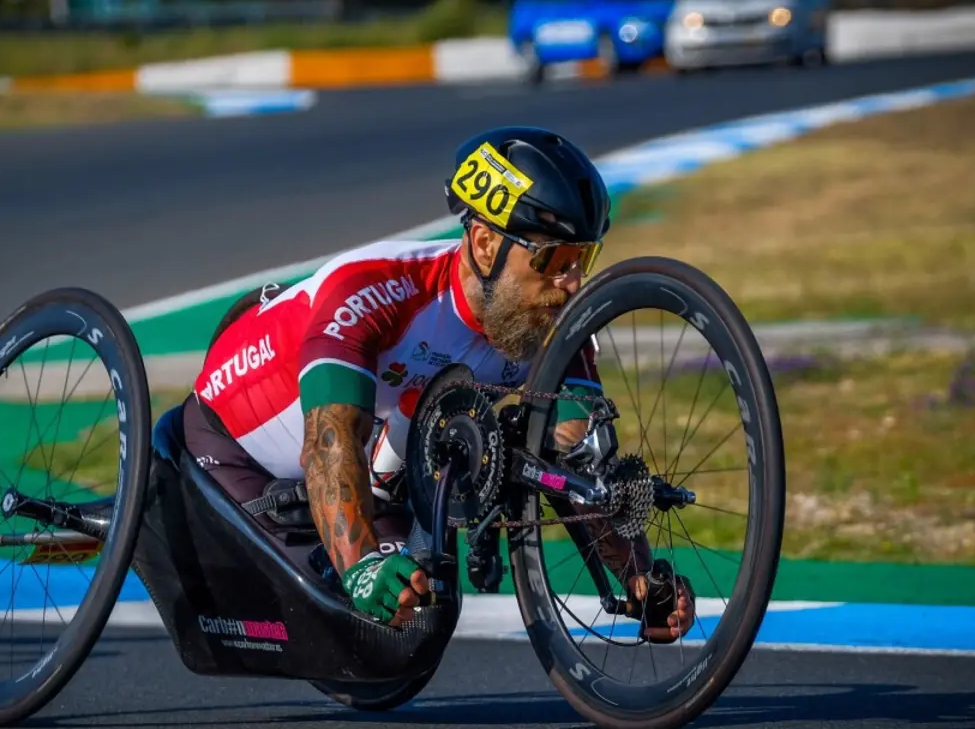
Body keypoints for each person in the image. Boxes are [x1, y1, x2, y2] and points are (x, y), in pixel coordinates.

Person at [182, 126, 694, 641]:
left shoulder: (550, 327)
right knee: (328, 618)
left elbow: (582, 464)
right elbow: (329, 439)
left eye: (583, 259)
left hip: (375, 475)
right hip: (232, 446)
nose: (573, 284)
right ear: (486, 243)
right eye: (555, 261)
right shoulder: (376, 290)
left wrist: (639, 577)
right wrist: (359, 566)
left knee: (419, 616)